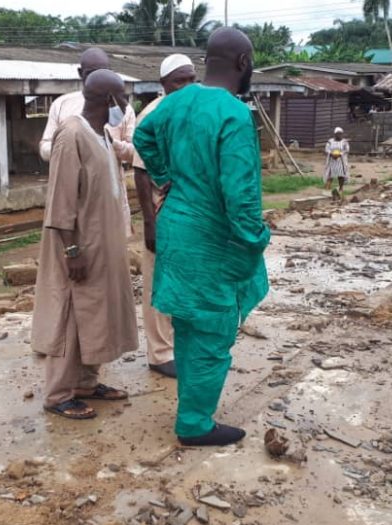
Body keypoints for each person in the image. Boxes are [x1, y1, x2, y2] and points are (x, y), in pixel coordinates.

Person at [134, 27, 269, 447]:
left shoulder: (175, 101)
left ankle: (191, 408)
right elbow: (241, 195)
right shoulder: (234, 115)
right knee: (213, 327)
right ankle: (194, 423)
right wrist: (254, 240)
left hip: (176, 228)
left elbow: (142, 135)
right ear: (243, 63)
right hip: (212, 237)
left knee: (188, 323)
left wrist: (165, 177)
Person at [32, 70, 139, 419]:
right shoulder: (71, 134)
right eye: (122, 97)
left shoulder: (103, 133)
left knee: (95, 312)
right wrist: (72, 250)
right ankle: (58, 394)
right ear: (108, 99)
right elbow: (61, 199)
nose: (126, 104)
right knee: (70, 314)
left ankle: (86, 383)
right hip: (79, 245)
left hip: (103, 241)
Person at [131, 54, 198, 379]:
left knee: (185, 281)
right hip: (163, 212)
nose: (186, 86)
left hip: (191, 213)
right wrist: (150, 224)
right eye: (178, 81)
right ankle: (159, 353)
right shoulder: (152, 116)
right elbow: (141, 172)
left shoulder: (194, 111)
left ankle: (178, 345)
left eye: (191, 79)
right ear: (163, 84)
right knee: (159, 282)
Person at [39, 48, 138, 235]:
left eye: (103, 72)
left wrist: (112, 146)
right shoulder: (62, 105)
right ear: (80, 73)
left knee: (112, 245)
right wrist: (72, 149)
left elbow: (136, 154)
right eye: (91, 74)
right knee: (76, 240)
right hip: (74, 196)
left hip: (111, 196)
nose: (97, 79)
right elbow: (44, 146)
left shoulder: (122, 109)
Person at [323, 127, 350, 199]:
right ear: (335, 134)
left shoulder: (344, 142)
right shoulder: (330, 141)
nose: (339, 135)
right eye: (338, 134)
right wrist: (331, 154)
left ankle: (341, 189)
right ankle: (327, 190)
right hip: (332, 160)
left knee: (341, 175)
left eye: (341, 134)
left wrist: (339, 154)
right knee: (330, 175)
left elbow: (347, 150)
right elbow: (327, 149)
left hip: (341, 161)